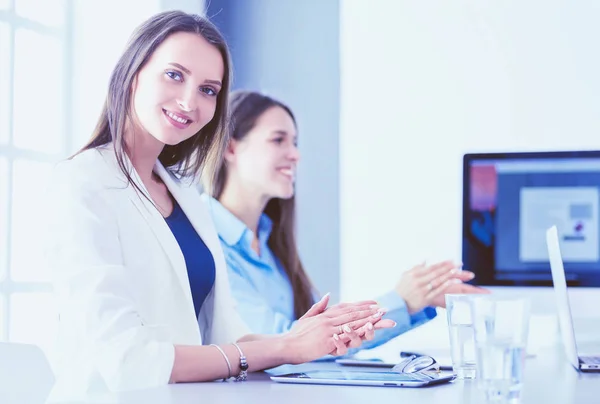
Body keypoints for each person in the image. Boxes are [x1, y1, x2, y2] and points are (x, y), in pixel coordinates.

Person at [43, 11, 394, 403]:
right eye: (174, 75)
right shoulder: (81, 183)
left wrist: (307, 340)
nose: (189, 100)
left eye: (209, 89)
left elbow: (226, 338)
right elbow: (130, 360)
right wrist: (283, 348)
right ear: (133, 72)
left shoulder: (185, 197)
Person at [201, 90, 489, 352]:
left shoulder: (269, 242)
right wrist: (401, 301)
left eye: (295, 142)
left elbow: (327, 337)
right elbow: (281, 344)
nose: (296, 155)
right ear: (231, 149)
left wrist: (416, 301)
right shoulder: (205, 238)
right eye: (278, 140)